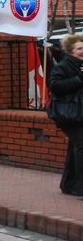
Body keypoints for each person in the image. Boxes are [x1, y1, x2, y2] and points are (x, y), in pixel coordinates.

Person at [49, 34, 83, 196]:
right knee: (81, 145)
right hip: (68, 114)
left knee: (75, 147)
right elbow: (55, 86)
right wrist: (78, 79)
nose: (82, 51)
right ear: (71, 51)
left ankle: (69, 184)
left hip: (79, 113)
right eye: (79, 48)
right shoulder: (63, 66)